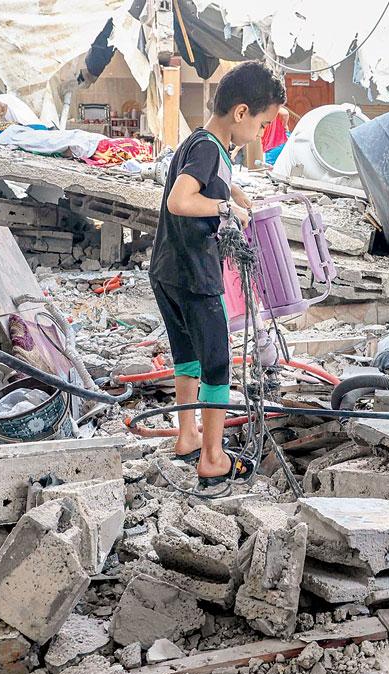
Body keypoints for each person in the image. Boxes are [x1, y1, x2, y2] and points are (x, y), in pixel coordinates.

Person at [149, 61, 286, 484]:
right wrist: (225, 209)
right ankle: (212, 458)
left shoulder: (202, 143)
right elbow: (180, 200)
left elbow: (218, 183)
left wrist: (239, 199)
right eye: (263, 125)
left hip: (167, 270)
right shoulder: (209, 149)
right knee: (216, 365)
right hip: (194, 274)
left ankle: (187, 436)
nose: (262, 135)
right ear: (241, 113)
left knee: (187, 356)